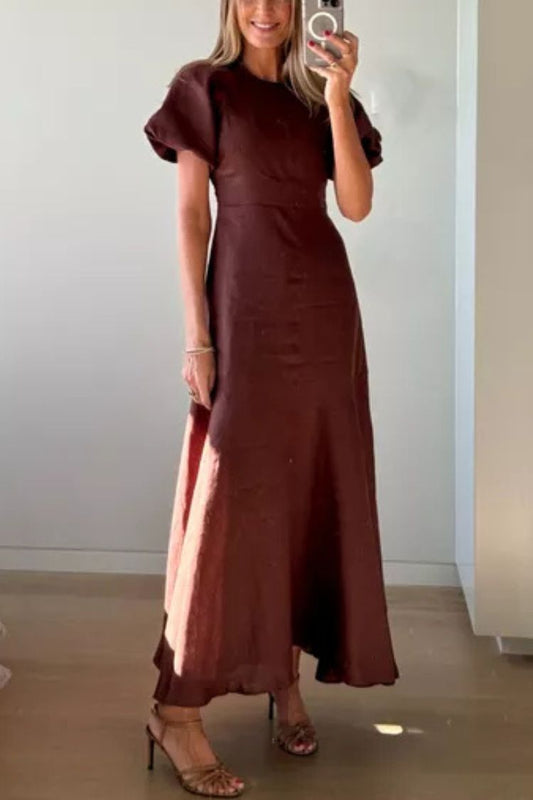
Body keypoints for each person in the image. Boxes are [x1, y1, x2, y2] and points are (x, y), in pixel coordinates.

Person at [142, 0, 399, 795]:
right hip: (242, 308)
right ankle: (176, 710)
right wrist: (197, 335)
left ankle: (284, 682)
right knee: (230, 496)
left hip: (322, 310)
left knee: (306, 488)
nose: (265, 10)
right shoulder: (204, 86)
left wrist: (336, 94)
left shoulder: (321, 93)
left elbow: (354, 204)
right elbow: (192, 215)